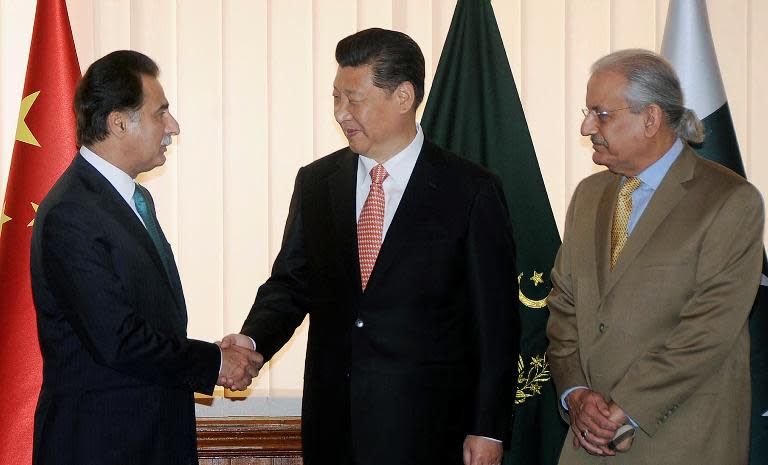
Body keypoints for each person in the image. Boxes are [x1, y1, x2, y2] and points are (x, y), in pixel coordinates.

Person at [219, 28, 519, 465]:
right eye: (335, 98)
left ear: (403, 97)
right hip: (334, 427)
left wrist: (488, 428)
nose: (341, 113)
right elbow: (292, 283)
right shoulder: (318, 182)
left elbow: (497, 325)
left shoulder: (470, 191)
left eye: (353, 99)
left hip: (431, 431)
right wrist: (251, 341)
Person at [30, 50, 262, 465]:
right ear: (119, 122)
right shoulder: (72, 213)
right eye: (161, 114)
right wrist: (215, 362)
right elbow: (118, 339)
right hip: (102, 446)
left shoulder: (134, 200)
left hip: (152, 438)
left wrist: (211, 357)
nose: (173, 127)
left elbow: (150, 321)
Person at [546, 49, 764, 464]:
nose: (586, 126)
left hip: (681, 440)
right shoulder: (589, 197)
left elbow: (708, 329)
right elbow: (563, 306)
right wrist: (575, 394)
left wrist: (623, 408)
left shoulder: (729, 201)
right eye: (587, 112)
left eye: (601, 114)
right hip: (587, 442)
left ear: (650, 119)